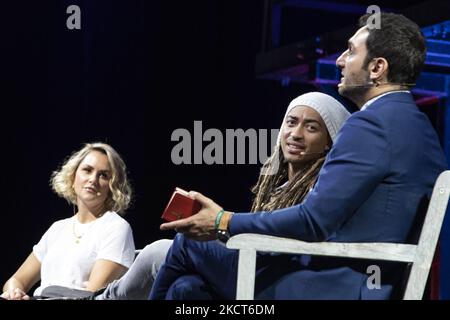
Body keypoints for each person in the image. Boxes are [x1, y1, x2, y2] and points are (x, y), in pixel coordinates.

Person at [150, 12, 447, 300]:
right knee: (187, 291)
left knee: (186, 245)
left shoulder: (371, 124)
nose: (341, 61)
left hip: (333, 285)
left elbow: (312, 221)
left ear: (377, 67)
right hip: (364, 281)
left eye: (351, 52)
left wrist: (222, 220)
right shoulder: (421, 129)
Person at [91, 91, 350, 300]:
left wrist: (221, 223)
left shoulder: (322, 187)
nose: (295, 133)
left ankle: (104, 299)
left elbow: (292, 239)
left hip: (280, 278)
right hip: (258, 264)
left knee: (181, 243)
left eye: (311, 127)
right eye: (291, 123)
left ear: (328, 141)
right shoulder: (278, 188)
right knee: (185, 287)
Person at [1, 142, 136, 299]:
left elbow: (90, 295)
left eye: (103, 175)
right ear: (73, 177)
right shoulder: (57, 228)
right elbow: (17, 280)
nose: (93, 179)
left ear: (113, 187)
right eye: (87, 170)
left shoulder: (116, 227)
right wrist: (14, 292)